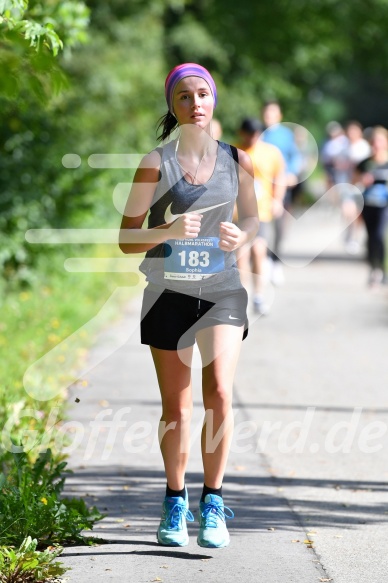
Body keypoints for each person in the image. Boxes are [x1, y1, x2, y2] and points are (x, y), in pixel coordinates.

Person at [119, 63, 259, 548]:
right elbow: (125, 239)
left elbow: (254, 222)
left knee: (219, 391)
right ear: (172, 106)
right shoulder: (155, 164)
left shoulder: (237, 160)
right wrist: (169, 231)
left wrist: (242, 235)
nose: (195, 103)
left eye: (202, 94)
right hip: (167, 294)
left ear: (213, 101)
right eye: (184, 97)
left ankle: (214, 501)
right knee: (176, 407)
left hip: (222, 291)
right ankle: (175, 500)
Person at [235, 117, 286, 314]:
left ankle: (258, 295)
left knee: (258, 251)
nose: (252, 139)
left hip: (261, 211)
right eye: (249, 135)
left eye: (256, 135)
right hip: (238, 212)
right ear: (242, 133)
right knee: (241, 254)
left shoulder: (270, 153)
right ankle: (242, 296)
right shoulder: (232, 151)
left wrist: (278, 200)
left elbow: (279, 176)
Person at [261, 100, 301, 285]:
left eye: (272, 113)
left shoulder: (286, 135)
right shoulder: (258, 133)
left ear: (279, 116)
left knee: (279, 227)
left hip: (281, 186)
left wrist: (292, 173)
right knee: (261, 227)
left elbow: (295, 157)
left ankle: (275, 262)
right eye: (266, 113)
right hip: (261, 188)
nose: (269, 117)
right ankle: (262, 260)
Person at [354, 126, 388, 286]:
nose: (377, 145)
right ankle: (373, 268)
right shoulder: (365, 163)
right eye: (374, 142)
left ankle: (381, 269)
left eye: (380, 141)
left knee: (379, 235)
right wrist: (362, 180)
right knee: (370, 237)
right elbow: (352, 182)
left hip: (384, 205)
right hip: (368, 205)